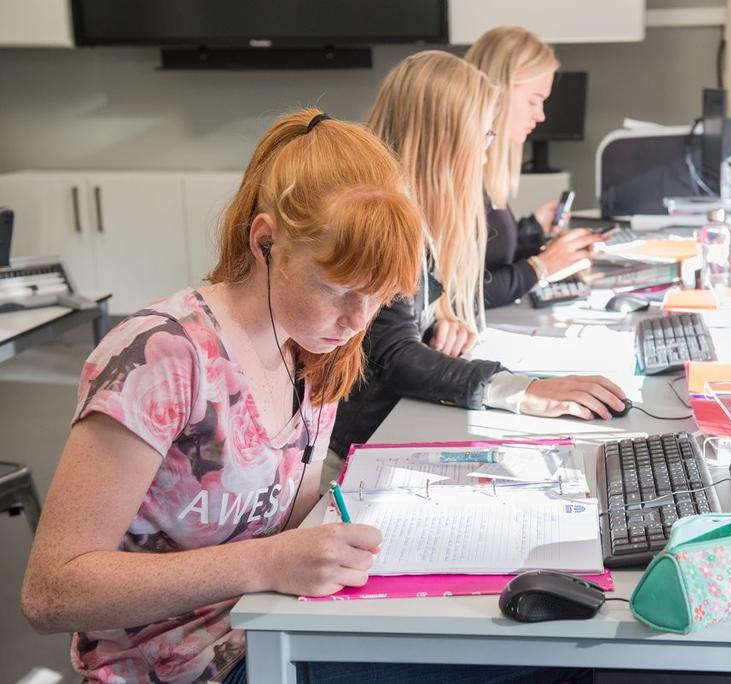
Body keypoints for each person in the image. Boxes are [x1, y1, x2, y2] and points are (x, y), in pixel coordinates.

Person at [19, 109, 427, 683]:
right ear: (266, 242)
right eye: (338, 290)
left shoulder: (312, 345)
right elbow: (51, 592)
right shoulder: (160, 357)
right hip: (181, 667)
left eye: (379, 297)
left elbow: (291, 525)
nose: (358, 320)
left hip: (269, 629)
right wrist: (266, 562)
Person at [329, 51, 626, 461]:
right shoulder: (383, 216)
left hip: (390, 424)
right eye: (485, 135)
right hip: (355, 448)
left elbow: (396, 319)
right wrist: (523, 389)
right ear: (445, 138)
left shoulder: (415, 206)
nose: (488, 152)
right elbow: (396, 357)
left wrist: (438, 313)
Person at [466, 26, 604, 308]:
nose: (540, 115)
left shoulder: (488, 170)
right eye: (533, 101)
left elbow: (492, 256)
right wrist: (542, 266)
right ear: (499, 91)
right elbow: (461, 292)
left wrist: (534, 230)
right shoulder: (461, 173)